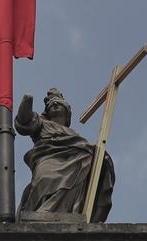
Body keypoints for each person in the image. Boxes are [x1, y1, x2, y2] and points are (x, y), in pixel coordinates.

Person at [15, 88, 115, 221]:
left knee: (80, 171)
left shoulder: (72, 134)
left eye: (59, 103)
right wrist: (27, 100)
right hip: (48, 158)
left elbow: (84, 149)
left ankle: (68, 212)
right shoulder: (41, 123)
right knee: (45, 178)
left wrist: (99, 155)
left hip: (77, 161)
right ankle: (41, 210)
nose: (55, 105)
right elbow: (24, 121)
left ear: (67, 112)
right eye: (51, 104)